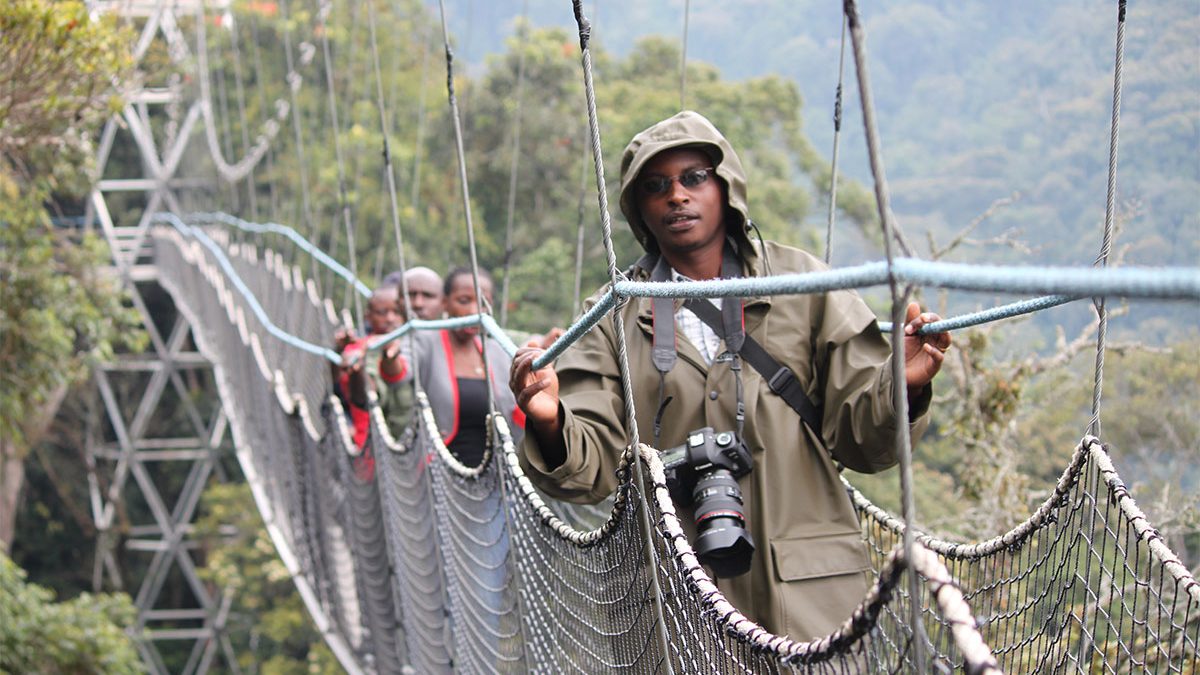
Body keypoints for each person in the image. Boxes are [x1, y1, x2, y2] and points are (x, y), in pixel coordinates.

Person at [508, 111, 952, 640]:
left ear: (726, 188)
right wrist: (550, 419)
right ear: (639, 209)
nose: (677, 196)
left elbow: (864, 442)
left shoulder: (805, 285)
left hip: (809, 597)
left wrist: (903, 382)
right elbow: (590, 470)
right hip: (679, 604)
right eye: (656, 186)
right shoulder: (610, 316)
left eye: (694, 177)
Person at [412, 267, 525, 467]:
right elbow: (398, 371)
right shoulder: (425, 341)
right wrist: (390, 357)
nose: (474, 311)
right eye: (464, 301)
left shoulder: (497, 351)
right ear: (445, 303)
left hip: (498, 477)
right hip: (441, 475)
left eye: (483, 303)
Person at [333, 284, 413, 479]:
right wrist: (348, 361)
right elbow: (351, 394)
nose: (390, 318)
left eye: (397, 311)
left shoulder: (416, 346)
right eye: (382, 312)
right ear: (368, 316)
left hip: (412, 454)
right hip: (369, 453)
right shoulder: (356, 350)